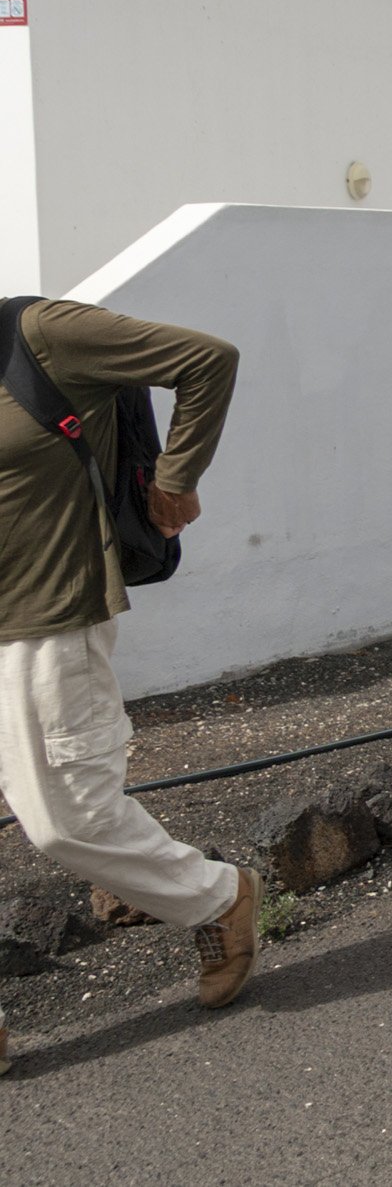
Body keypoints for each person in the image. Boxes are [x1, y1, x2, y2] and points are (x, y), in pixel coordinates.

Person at [0, 299, 254, 1029]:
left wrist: (176, 475)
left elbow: (208, 360)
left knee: (64, 819)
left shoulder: (43, 335)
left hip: (44, 617)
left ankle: (217, 896)